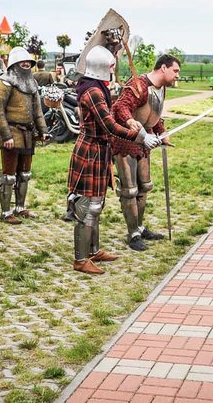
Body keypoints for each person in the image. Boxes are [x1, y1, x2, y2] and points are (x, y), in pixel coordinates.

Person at [67, 46, 161, 274]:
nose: (112, 70)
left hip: (99, 149)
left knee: (97, 205)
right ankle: (81, 259)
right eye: (110, 66)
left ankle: (93, 251)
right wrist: (140, 137)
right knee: (86, 205)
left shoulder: (97, 87)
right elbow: (109, 125)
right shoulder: (92, 92)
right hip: (90, 149)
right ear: (101, 68)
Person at [112, 54, 179, 252]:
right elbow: (120, 108)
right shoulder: (138, 84)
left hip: (144, 143)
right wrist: (137, 129)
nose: (177, 75)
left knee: (144, 187)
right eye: (175, 71)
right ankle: (132, 234)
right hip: (126, 142)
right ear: (163, 68)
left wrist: (161, 132)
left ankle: (139, 227)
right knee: (130, 190)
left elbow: (153, 114)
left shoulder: (161, 88)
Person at [0, 47, 49, 225]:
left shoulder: (32, 83)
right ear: (14, 63)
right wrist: (6, 135)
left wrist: (43, 131)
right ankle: (6, 212)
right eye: (22, 62)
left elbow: (38, 111)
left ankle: (20, 207)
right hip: (12, 132)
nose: (26, 64)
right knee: (9, 175)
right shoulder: (4, 83)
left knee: (24, 174)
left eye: (28, 62)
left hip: (29, 134)